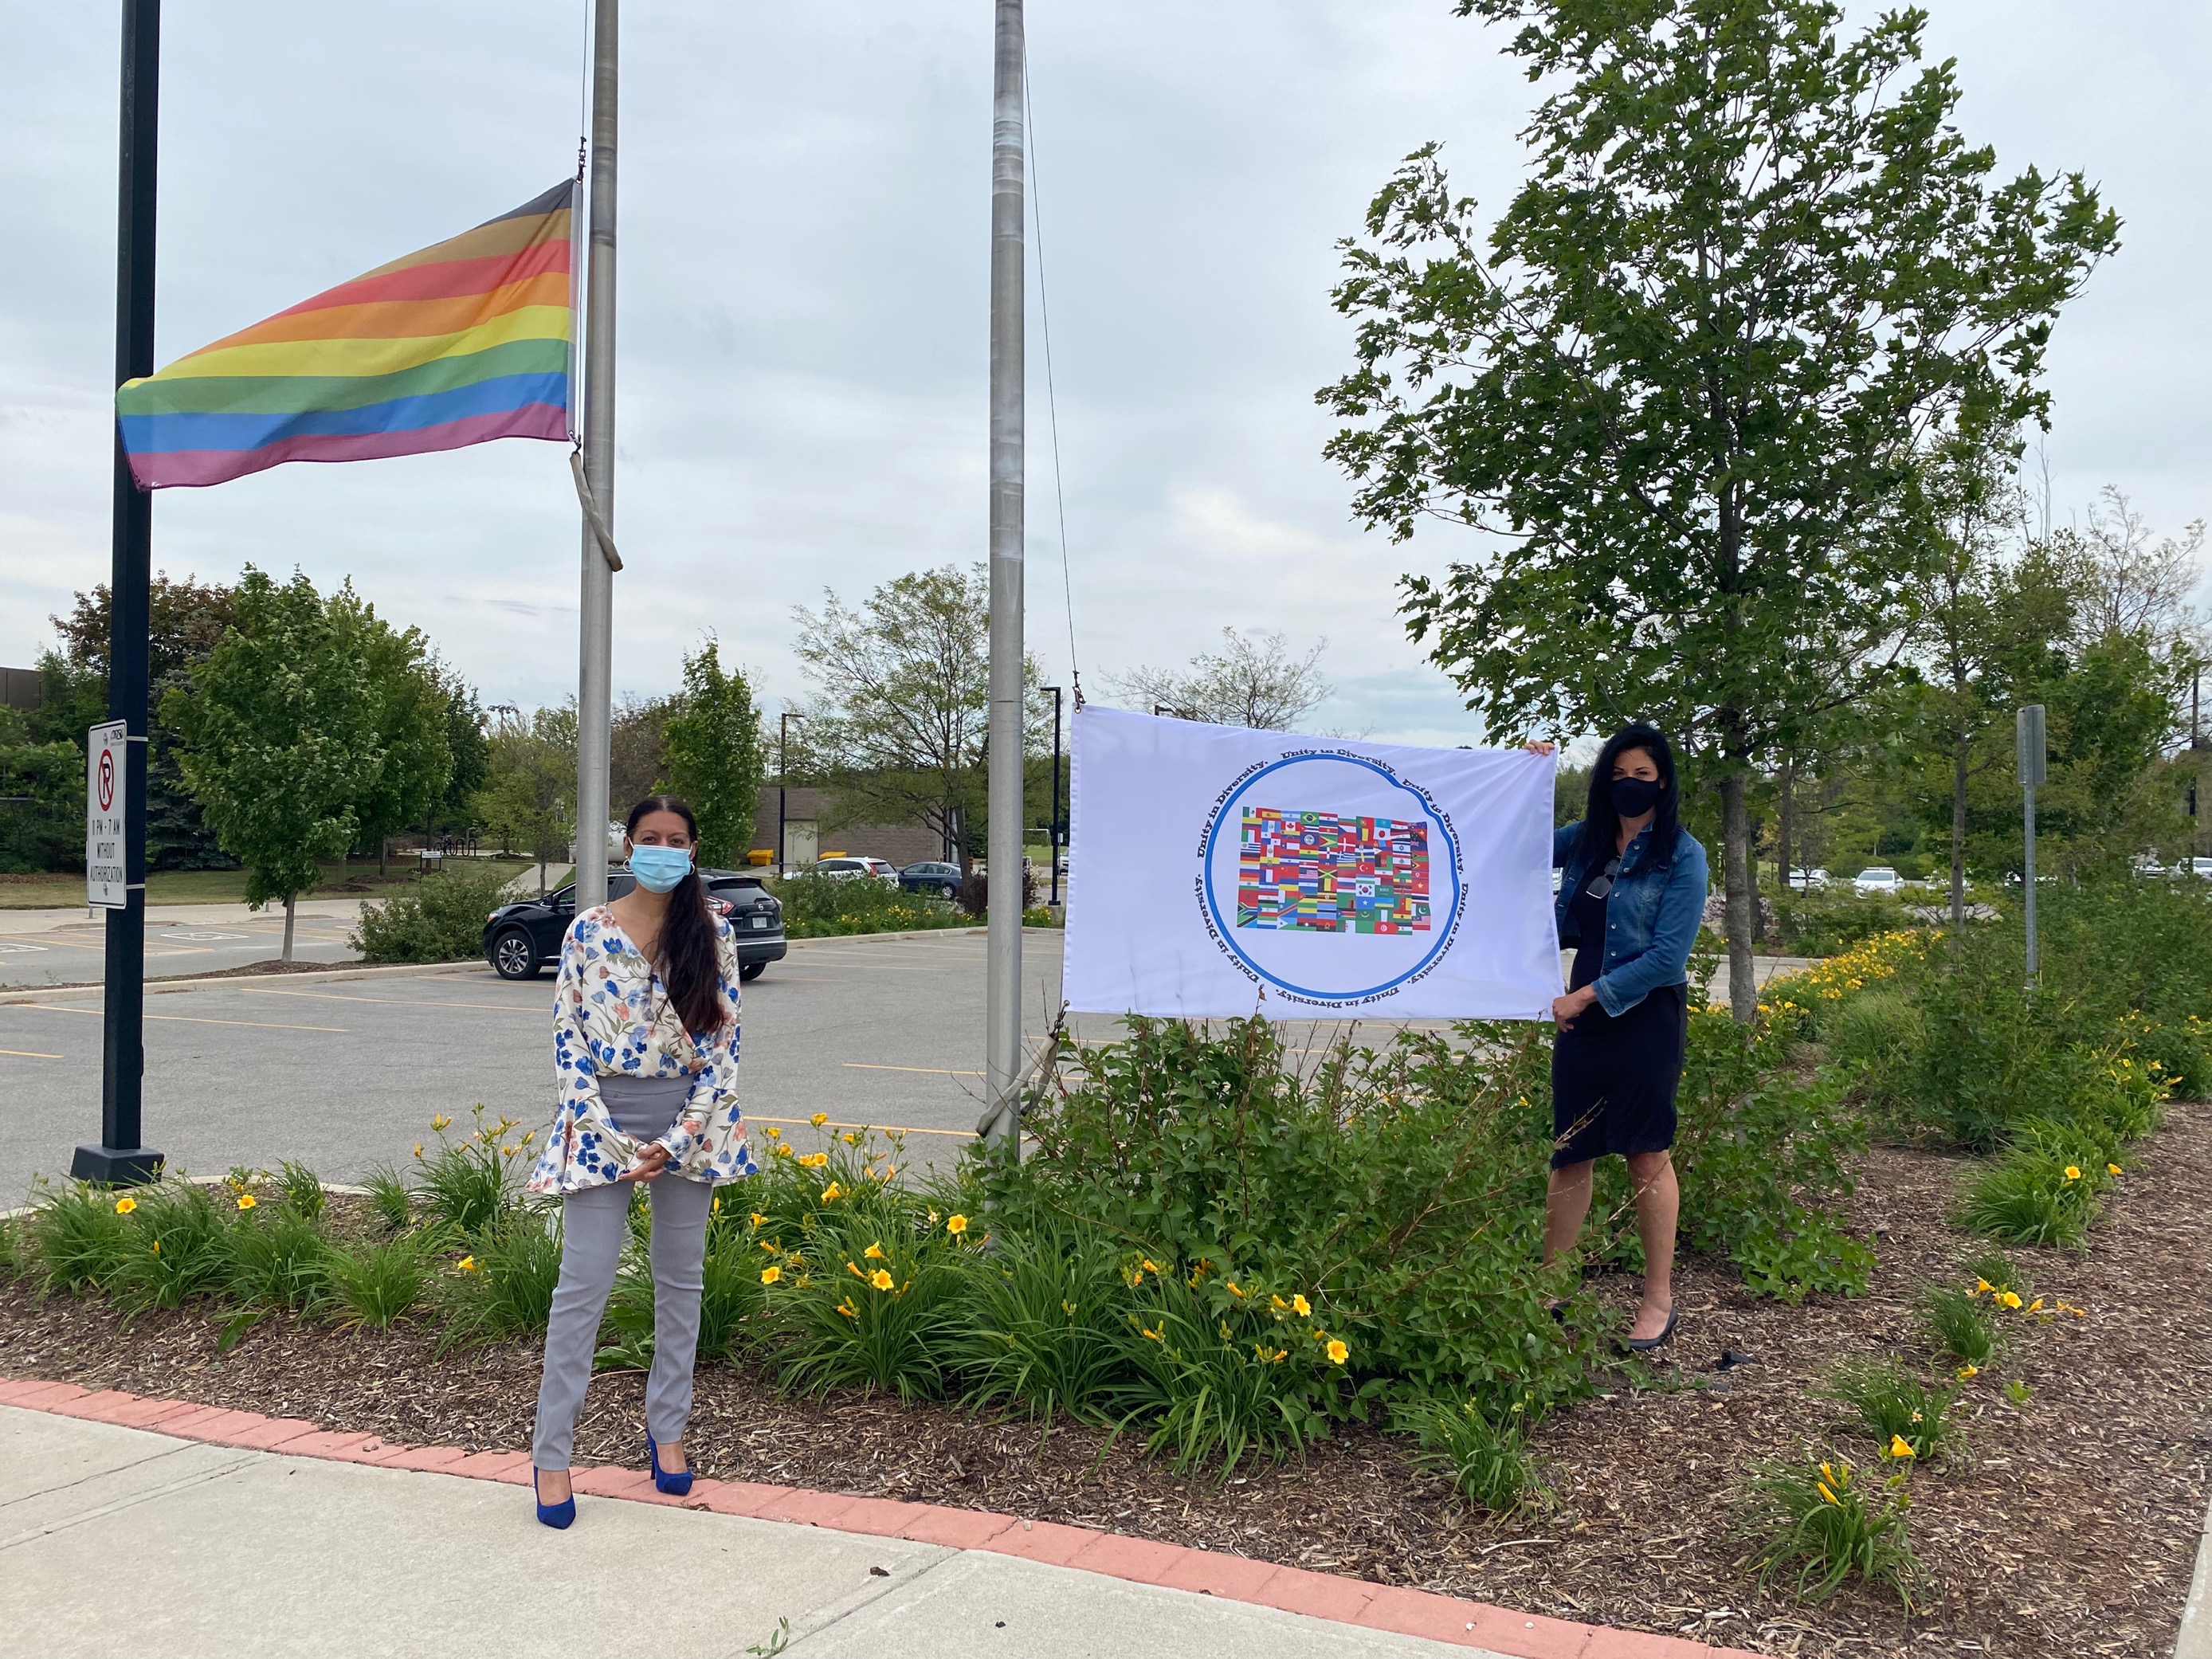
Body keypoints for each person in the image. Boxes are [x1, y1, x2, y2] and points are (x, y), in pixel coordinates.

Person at [524, 794, 757, 1528]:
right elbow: (567, 1037)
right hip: (601, 1125)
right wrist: (609, 1134)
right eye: (649, 837)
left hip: (691, 1123)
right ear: (627, 845)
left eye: (676, 839)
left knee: (680, 1284)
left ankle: (669, 1433)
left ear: (693, 849)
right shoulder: (588, 930)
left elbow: (725, 1047)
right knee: (582, 1287)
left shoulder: (712, 930)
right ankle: (551, 1454)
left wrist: (677, 1139)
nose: (662, 848)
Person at [1527, 725, 1708, 1350]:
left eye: (1643, 776)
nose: (1630, 786)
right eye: (1619, 774)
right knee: (1571, 1150)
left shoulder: (1683, 854)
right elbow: (1514, 847)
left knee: (1645, 1153)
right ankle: (1553, 1287)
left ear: (1664, 782)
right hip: (1582, 1018)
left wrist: (1586, 995)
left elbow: (1667, 957)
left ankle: (1658, 1301)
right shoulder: (1587, 841)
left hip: (1643, 1016)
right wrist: (1527, 780)